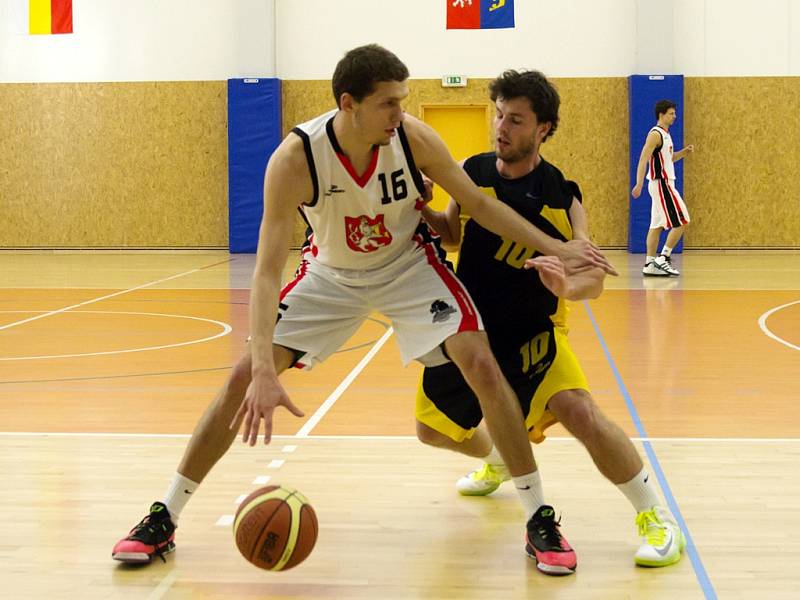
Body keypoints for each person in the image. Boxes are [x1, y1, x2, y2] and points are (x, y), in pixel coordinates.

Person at [111, 44, 617, 565]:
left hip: (408, 267)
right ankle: (163, 516)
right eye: (389, 104)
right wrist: (265, 367)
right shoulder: (296, 159)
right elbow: (265, 273)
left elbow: (481, 206)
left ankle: (537, 518)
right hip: (331, 275)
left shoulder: (413, 139)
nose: (401, 114)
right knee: (243, 375)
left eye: (403, 100)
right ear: (349, 103)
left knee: (481, 363)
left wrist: (559, 247)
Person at [415, 70, 685, 576]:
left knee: (580, 413)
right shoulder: (473, 171)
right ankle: (499, 457)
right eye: (499, 115)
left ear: (543, 129)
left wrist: (569, 288)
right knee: (430, 432)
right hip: (469, 335)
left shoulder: (562, 196)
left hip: (534, 334)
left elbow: (593, 280)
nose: (501, 127)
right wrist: (423, 210)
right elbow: (453, 235)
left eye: (515, 120)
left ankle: (657, 517)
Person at [631, 100, 695, 277]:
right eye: (671, 113)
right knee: (683, 220)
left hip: (663, 184)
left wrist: (684, 153)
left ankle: (650, 263)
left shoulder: (666, 135)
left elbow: (669, 158)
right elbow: (643, 158)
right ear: (661, 115)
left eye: (675, 113)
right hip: (661, 184)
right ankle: (663, 257)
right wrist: (639, 183)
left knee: (656, 225)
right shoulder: (655, 134)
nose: (675, 116)